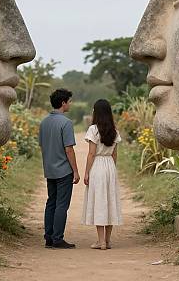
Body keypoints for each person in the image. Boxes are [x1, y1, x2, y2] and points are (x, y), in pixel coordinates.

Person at [39, 88, 80, 249]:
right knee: (62, 205)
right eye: (69, 101)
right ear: (63, 103)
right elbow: (69, 149)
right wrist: (75, 170)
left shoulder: (44, 122)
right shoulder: (66, 123)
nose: (70, 104)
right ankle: (57, 239)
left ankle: (49, 237)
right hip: (63, 170)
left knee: (51, 202)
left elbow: (43, 147)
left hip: (50, 169)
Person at [82, 99, 122, 250]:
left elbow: (91, 154)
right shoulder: (115, 130)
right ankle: (108, 240)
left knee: (99, 202)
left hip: (97, 166)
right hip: (110, 166)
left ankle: (101, 242)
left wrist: (86, 172)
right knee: (110, 201)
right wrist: (112, 170)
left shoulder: (93, 130)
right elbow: (115, 155)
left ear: (96, 112)